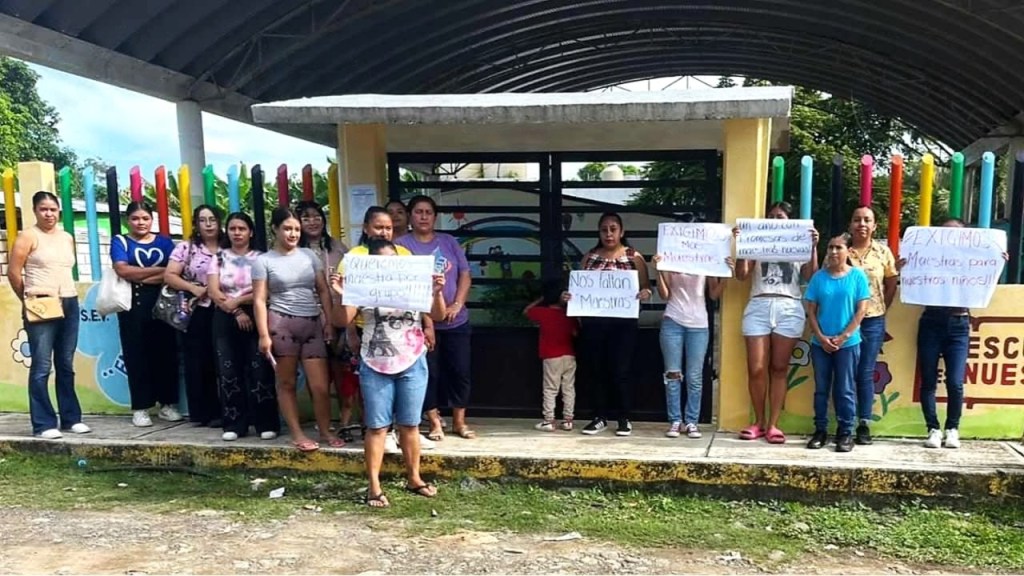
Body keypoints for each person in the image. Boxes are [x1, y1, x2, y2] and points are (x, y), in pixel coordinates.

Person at [330, 237, 447, 508]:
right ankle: (374, 486)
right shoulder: (361, 286)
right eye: (382, 263)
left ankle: (414, 478)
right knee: (377, 426)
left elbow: (437, 316)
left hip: (413, 359)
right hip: (375, 363)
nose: (388, 268)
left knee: (410, 424)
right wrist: (340, 294)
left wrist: (437, 292)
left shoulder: (413, 283)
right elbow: (340, 320)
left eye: (392, 262)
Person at [342, 206, 436, 452]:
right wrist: (350, 331)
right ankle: (385, 434)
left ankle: (405, 434)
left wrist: (428, 323)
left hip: (406, 335)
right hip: (368, 331)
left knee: (408, 399)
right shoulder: (355, 258)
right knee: (376, 399)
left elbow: (417, 295)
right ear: (366, 228)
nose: (383, 232)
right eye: (378, 227)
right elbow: (348, 300)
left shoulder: (403, 253)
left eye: (388, 228)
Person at [912, 218, 1009, 450]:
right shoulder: (929, 259)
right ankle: (932, 429)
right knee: (928, 381)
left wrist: (997, 264)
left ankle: (952, 429)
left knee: (955, 382)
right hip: (931, 322)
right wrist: (906, 266)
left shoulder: (970, 261)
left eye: (956, 234)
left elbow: (985, 280)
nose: (950, 238)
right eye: (945, 233)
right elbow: (912, 278)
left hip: (959, 323)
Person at [253, 207, 341, 451]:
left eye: (295, 229)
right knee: (287, 383)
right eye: (287, 228)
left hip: (312, 322)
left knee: (321, 386)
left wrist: (329, 321)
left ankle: (324, 430)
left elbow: (323, 290)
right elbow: (260, 299)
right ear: (275, 229)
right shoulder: (264, 260)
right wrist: (263, 335)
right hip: (282, 325)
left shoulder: (308, 256)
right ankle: (297, 433)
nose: (292, 233)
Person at [6, 191, 89, 439]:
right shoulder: (27, 236)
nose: (49, 214)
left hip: (69, 300)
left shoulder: (66, 237)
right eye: (44, 209)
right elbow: (13, 272)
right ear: (35, 211)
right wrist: (28, 299)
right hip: (41, 302)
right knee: (42, 365)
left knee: (66, 362)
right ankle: (43, 423)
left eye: (53, 209)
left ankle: (71, 418)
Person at [734, 201, 818, 444]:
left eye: (780, 216)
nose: (775, 219)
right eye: (771, 216)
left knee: (779, 368)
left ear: (789, 220)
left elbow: (809, 276)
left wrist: (813, 247)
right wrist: (742, 247)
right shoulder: (758, 239)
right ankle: (758, 421)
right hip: (759, 304)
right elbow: (742, 275)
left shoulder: (796, 240)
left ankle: (773, 424)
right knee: (756, 367)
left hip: (789, 305)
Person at [562, 212, 652, 437]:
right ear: (599, 233)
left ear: (621, 232)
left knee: (620, 369)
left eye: (613, 229)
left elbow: (646, 287)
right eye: (604, 229)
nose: (609, 234)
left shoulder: (634, 257)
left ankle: (623, 417)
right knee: (597, 369)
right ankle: (599, 416)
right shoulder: (590, 257)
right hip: (594, 323)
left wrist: (645, 293)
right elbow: (579, 288)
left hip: (623, 323)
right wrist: (569, 297)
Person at [395, 196, 475, 440]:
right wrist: (427, 319)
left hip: (456, 321)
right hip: (420, 324)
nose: (423, 216)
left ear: (435, 216)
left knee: (460, 371)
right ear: (410, 216)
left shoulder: (449, 242)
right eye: (418, 212)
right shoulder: (401, 245)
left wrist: (457, 303)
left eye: (428, 212)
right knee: (427, 373)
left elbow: (465, 274)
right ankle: (434, 422)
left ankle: (459, 422)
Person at [207, 212, 279, 442]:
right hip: (225, 317)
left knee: (260, 369)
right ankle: (234, 423)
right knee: (228, 371)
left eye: (242, 228)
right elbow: (214, 291)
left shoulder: (262, 258)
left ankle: (265, 422)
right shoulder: (218, 257)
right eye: (232, 229)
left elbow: (264, 291)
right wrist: (235, 310)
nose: (237, 233)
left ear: (251, 232)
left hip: (256, 313)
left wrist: (239, 303)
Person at [111, 201, 183, 427]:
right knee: (136, 355)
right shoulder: (120, 241)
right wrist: (160, 272)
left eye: (145, 218)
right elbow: (122, 270)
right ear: (127, 220)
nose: (140, 223)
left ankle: (168, 404)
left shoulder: (164, 242)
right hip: (132, 307)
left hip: (163, 304)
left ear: (152, 220)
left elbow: (174, 272)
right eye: (135, 218)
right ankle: (141, 408)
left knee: (166, 354)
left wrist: (140, 276)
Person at [652, 253, 732, 439]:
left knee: (694, 376)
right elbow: (665, 294)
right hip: (673, 320)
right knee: (673, 373)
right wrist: (658, 270)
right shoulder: (672, 259)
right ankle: (675, 420)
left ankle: (691, 421)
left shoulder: (705, 261)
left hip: (698, 324)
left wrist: (727, 274)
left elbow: (713, 293)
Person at [804, 233, 870, 453]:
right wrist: (822, 337)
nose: (833, 252)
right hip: (820, 343)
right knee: (821, 388)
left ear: (848, 251)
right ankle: (820, 430)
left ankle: (845, 432)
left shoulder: (858, 277)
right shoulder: (818, 278)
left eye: (838, 248)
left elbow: (861, 310)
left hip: (848, 343)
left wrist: (843, 337)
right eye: (830, 247)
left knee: (845, 388)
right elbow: (811, 311)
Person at [163, 204, 223, 426]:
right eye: (203, 220)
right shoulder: (186, 248)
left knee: (223, 361)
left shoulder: (228, 246)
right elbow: (170, 275)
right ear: (196, 224)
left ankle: (227, 410)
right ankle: (203, 413)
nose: (208, 225)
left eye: (212, 220)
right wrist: (193, 288)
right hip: (197, 310)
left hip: (226, 309)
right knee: (198, 361)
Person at [296, 200, 352, 435]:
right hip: (308, 319)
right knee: (316, 376)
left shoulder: (339, 249)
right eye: (306, 217)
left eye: (316, 216)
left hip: (339, 318)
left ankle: (346, 421)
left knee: (342, 371)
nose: (312, 221)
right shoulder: (294, 252)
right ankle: (323, 423)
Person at [847, 205, 898, 445]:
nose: (862, 224)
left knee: (865, 373)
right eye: (857, 220)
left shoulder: (883, 252)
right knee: (845, 373)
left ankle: (863, 424)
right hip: (843, 321)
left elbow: (891, 283)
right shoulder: (841, 251)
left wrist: (880, 307)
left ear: (874, 225)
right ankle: (844, 422)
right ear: (851, 225)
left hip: (873, 321)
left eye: (867, 220)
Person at [524, 280, 578, 432]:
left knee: (550, 389)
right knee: (568, 387)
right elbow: (576, 332)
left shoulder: (542, 313)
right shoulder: (569, 315)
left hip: (551, 355)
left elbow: (527, 311)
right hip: (569, 354)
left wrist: (542, 298)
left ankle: (549, 420)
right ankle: (568, 420)